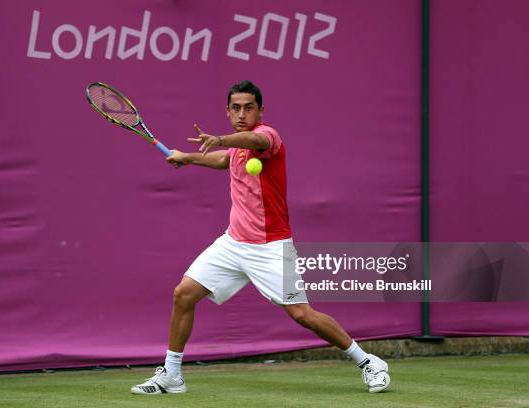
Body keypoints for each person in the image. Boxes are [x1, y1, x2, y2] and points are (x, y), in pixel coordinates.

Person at [130, 80, 390, 395]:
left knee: (302, 314)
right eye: (236, 108)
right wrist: (188, 157)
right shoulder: (237, 148)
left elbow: (251, 140)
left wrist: (219, 138)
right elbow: (225, 159)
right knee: (183, 294)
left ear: (260, 111)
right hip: (233, 242)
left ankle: (368, 362)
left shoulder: (268, 137)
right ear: (227, 111)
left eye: (248, 108)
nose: (242, 113)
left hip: (271, 246)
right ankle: (171, 374)